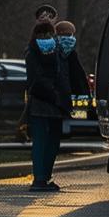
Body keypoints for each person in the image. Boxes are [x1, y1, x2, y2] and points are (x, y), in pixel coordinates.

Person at [25, 20, 71, 192]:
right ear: (36, 36)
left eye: (49, 34)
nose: (46, 38)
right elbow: (35, 80)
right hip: (42, 102)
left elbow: (64, 75)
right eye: (42, 34)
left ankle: (45, 176)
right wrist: (54, 95)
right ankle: (39, 178)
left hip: (54, 103)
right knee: (41, 142)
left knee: (52, 143)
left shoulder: (59, 52)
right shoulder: (32, 53)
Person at [55, 20, 91, 108]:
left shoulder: (71, 54)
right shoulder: (55, 53)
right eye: (65, 35)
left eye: (69, 35)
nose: (68, 38)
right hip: (63, 97)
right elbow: (79, 78)